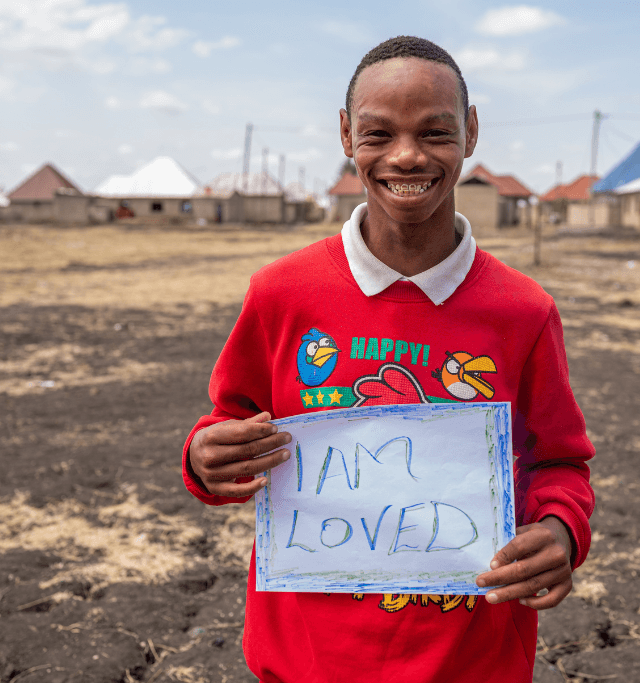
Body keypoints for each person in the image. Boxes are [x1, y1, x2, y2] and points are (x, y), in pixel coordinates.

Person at [182, 36, 595, 683]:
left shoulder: (522, 311)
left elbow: (560, 460)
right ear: (346, 135)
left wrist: (562, 528)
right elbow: (224, 426)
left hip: (471, 661)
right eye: (379, 133)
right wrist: (206, 458)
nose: (407, 155)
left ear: (472, 131)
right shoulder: (282, 295)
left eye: (435, 131)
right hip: (307, 661)